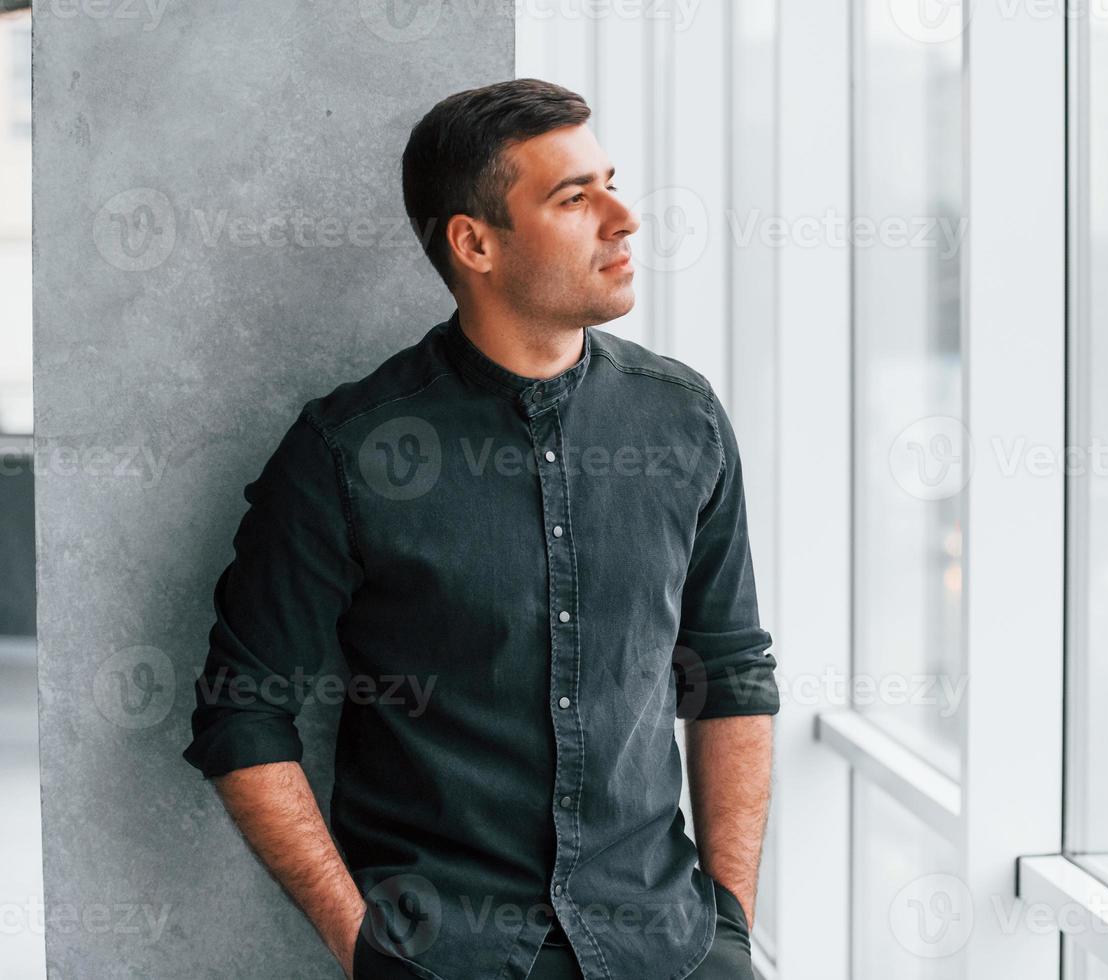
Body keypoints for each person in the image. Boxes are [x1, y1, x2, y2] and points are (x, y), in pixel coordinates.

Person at [181, 77, 778, 980]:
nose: (625, 217)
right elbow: (242, 715)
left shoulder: (683, 421)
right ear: (474, 242)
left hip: (668, 944)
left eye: (609, 181)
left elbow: (729, 674)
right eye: (575, 198)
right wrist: (365, 951)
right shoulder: (348, 453)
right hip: (445, 955)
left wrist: (728, 925)